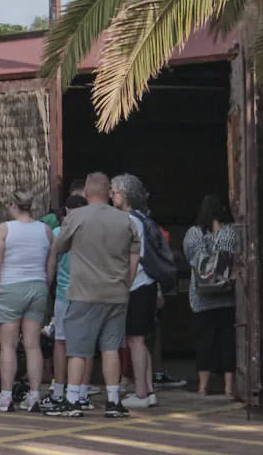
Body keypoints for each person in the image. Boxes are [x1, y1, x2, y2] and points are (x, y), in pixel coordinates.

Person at [45, 172, 140, 419]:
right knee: (111, 348)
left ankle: (73, 399)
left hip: (84, 293)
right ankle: (113, 401)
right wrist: (125, 285)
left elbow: (61, 246)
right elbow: (134, 259)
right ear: (109, 193)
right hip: (116, 294)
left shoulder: (77, 217)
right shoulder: (125, 220)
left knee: (78, 349)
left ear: (86, 194)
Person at [0, 190, 52, 412]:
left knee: (8, 346)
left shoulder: (5, 229)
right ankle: (33, 396)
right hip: (38, 286)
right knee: (33, 344)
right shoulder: (46, 230)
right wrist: (44, 285)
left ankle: (5, 397)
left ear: (13, 205)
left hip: (11, 287)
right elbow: (50, 266)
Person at [110, 174, 159, 408]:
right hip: (145, 284)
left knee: (135, 341)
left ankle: (140, 393)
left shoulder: (129, 220)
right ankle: (148, 390)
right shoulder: (140, 218)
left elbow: (130, 257)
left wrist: (123, 286)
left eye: (115, 191)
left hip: (135, 285)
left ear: (125, 195)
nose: (111, 195)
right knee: (140, 340)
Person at [183, 194, 238, 399]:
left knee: (204, 342)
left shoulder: (193, 234)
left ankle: (203, 387)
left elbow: (194, 259)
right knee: (227, 342)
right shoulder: (229, 232)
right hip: (226, 296)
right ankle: (228, 388)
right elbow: (227, 254)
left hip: (201, 297)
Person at [43, 193, 88, 409]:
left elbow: (51, 265)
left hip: (63, 295)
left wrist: (46, 287)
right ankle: (82, 393)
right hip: (87, 295)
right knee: (84, 346)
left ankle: (59, 391)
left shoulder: (58, 233)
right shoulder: (92, 234)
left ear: (67, 212)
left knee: (60, 343)